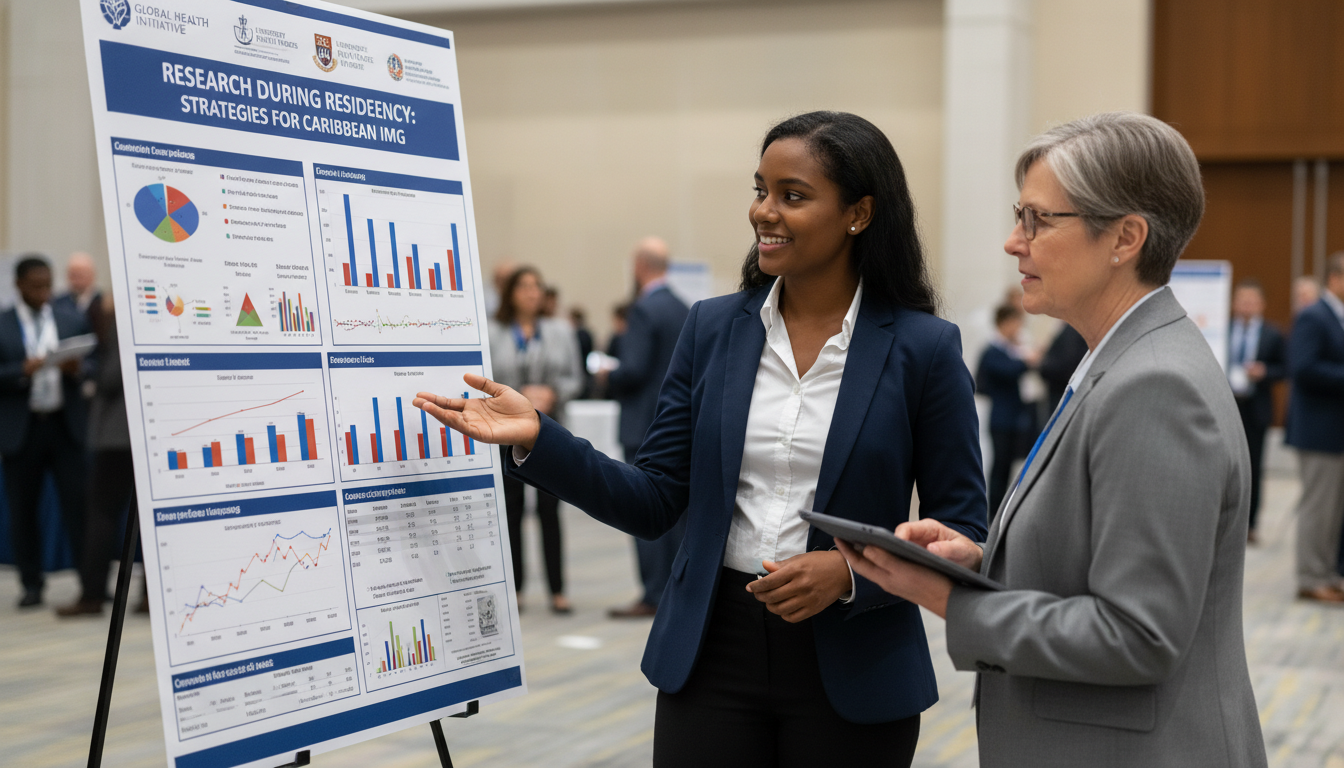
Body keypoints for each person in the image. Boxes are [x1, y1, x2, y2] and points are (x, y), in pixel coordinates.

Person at [416, 111, 987, 767]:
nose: (764, 212)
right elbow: (654, 499)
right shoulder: (712, 329)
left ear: (858, 214)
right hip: (713, 653)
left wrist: (851, 573)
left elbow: (963, 529)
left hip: (857, 664)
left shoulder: (923, 348)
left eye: (792, 195)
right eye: (761, 190)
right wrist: (539, 439)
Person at [839, 112, 1267, 767]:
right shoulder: (1121, 358)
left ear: (1124, 238)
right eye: (1020, 216)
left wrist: (950, 600)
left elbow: (1138, 634)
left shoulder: (1153, 386)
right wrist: (980, 564)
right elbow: (1096, 559)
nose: (1014, 242)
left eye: (1038, 220)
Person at [604, 237, 691, 619]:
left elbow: (633, 370)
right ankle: (674, 590)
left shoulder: (643, 309)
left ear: (639, 266)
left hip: (644, 427)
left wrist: (608, 374)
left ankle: (653, 594)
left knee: (643, 511)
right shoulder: (685, 308)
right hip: (679, 424)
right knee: (676, 517)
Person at [487, 266, 584, 614]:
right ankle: (516, 589)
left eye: (537, 286)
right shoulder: (494, 332)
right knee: (512, 509)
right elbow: (485, 377)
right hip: (507, 431)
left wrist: (553, 394)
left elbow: (576, 378)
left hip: (548, 429)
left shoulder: (560, 330)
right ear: (510, 293)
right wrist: (517, 395)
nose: (532, 292)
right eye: (524, 286)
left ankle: (558, 590)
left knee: (549, 508)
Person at [0, 255, 91, 608]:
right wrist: (22, 370)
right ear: (19, 285)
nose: (43, 293)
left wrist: (76, 369)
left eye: (48, 286)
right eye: (36, 286)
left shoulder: (70, 319)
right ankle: (31, 584)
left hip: (64, 426)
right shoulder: (4, 324)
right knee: (23, 509)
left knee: (78, 505)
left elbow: (93, 362)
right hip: (23, 429)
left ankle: (90, 583)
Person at [57, 297, 145, 616]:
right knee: (147, 515)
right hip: (149, 429)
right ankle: (151, 597)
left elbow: (111, 377)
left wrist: (86, 373)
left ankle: (92, 595)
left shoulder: (129, 313)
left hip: (118, 433)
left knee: (103, 513)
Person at [1285, 252, 1344, 601]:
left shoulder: (1337, 316)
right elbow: (1303, 368)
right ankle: (1310, 578)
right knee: (1318, 508)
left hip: (1335, 433)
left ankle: (1326, 573)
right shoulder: (1313, 316)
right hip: (1318, 432)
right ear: (1334, 278)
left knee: (1333, 511)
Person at [1227, 279, 1286, 543]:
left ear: (1261, 304)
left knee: (1253, 467)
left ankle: (1250, 524)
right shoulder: (1223, 330)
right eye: (1242, 300)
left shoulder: (1273, 334)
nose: (1247, 306)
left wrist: (1264, 372)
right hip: (1227, 403)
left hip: (1256, 407)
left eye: (1252, 301)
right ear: (1234, 302)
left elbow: (1285, 368)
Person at [975, 303, 1039, 516]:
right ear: (1004, 323)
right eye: (1015, 323)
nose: (1017, 328)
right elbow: (1005, 371)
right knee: (1000, 469)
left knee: (1010, 467)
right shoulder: (993, 350)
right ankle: (993, 514)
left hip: (1014, 417)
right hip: (1001, 419)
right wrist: (1027, 361)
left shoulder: (1011, 349)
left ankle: (1003, 511)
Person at [1037, 322, 1087, 412]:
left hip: (1062, 389)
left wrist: (1042, 366)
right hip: (1060, 388)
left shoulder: (1072, 331)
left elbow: (1067, 362)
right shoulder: (1067, 329)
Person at [53, 252, 102, 321]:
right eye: (73, 275)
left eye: (81, 274)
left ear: (92, 275)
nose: (77, 280)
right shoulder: (57, 303)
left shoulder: (103, 303)